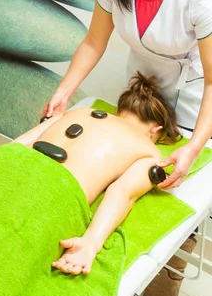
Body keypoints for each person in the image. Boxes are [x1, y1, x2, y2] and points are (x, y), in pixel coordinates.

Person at [41, 0, 211, 296]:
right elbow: (93, 42)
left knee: (176, 184)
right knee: (129, 169)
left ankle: (169, 273)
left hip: (193, 95)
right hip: (144, 87)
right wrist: (65, 89)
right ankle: (105, 242)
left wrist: (195, 145)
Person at [21, 73, 181, 275]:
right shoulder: (151, 152)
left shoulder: (77, 112)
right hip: (50, 197)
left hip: (3, 165)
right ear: (156, 130)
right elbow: (122, 193)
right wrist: (90, 243)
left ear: (118, 111)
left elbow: (18, 143)